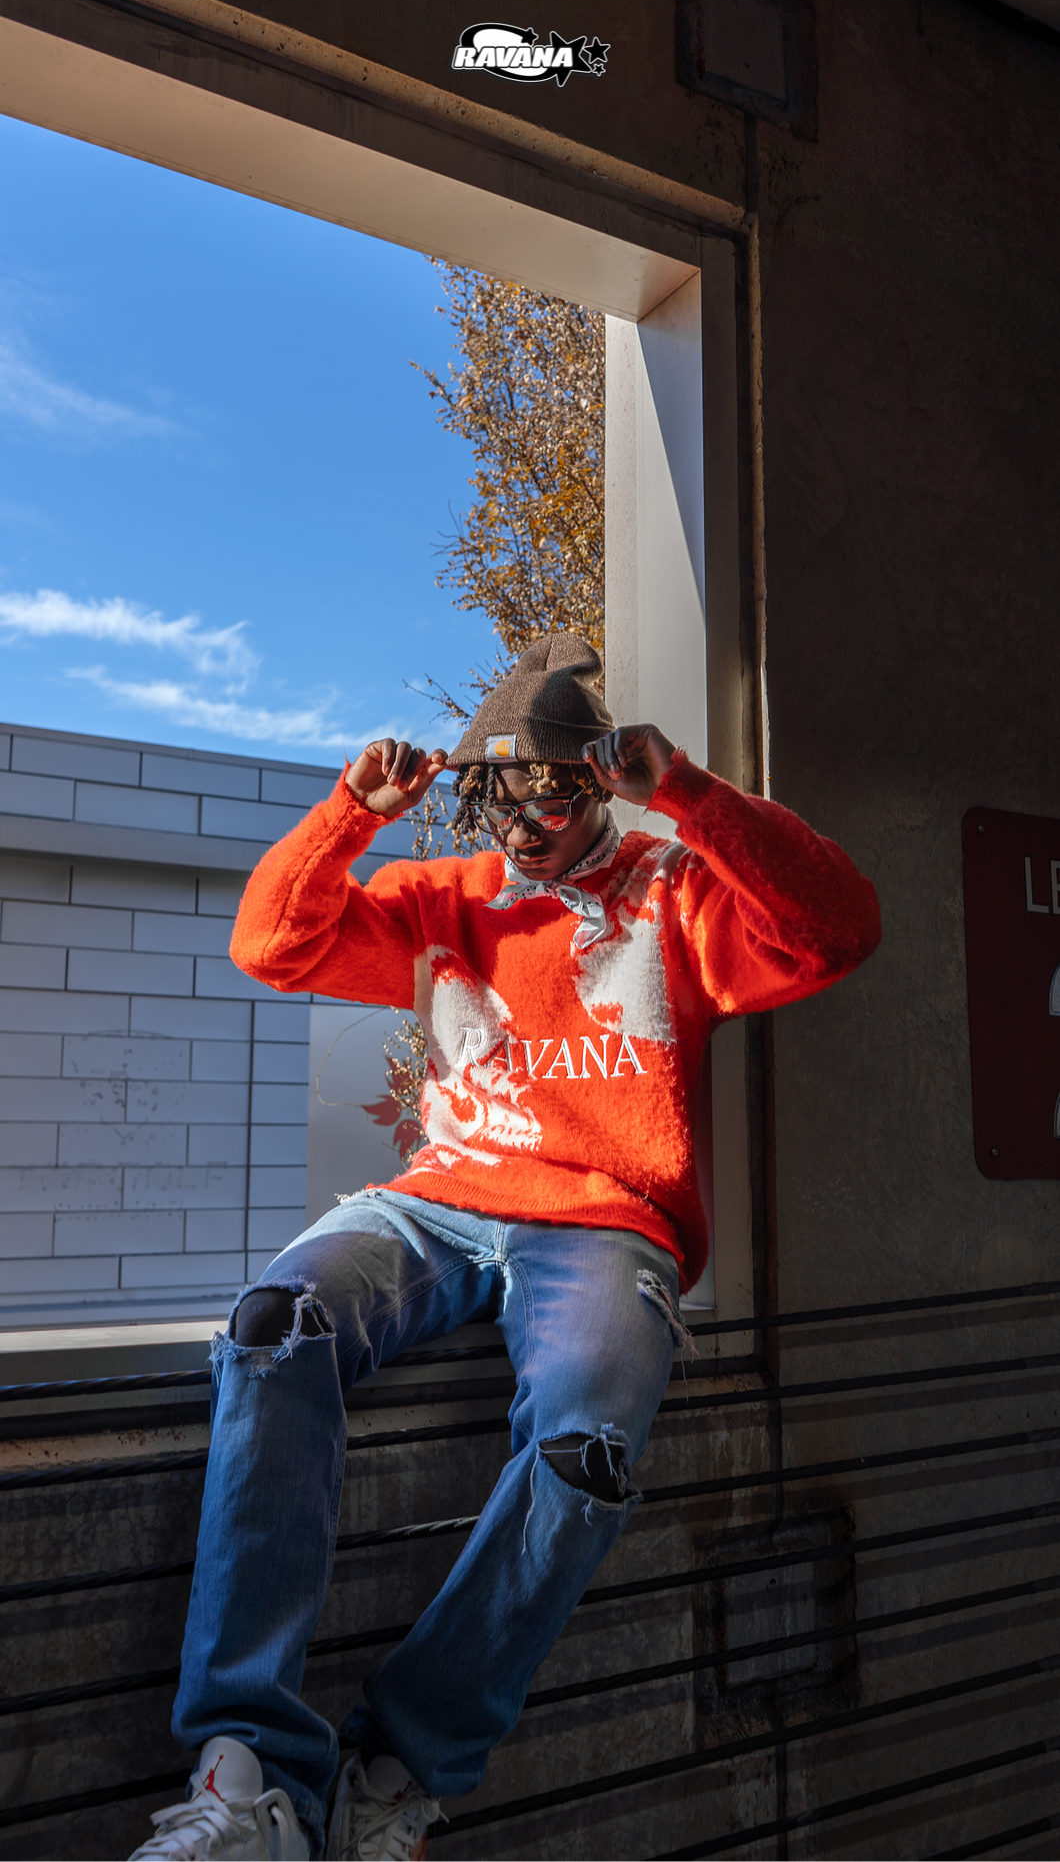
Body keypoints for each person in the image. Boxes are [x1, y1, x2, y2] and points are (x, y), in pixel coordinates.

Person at [127, 634, 880, 1862]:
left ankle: (396, 1771)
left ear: (595, 780)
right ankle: (247, 1768)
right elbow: (269, 946)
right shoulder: (445, 900)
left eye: (555, 788)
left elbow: (839, 927)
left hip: (602, 1218)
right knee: (273, 1326)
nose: (526, 820)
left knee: (585, 1447)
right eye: (501, 792)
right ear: (475, 793)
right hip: (438, 1201)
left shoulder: (670, 894)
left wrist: (683, 789)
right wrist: (347, 814)